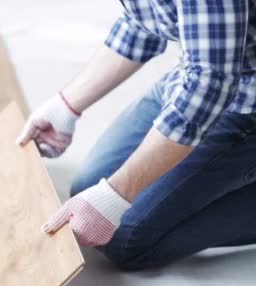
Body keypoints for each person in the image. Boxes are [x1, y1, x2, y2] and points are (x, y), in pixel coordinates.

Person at [17, 0, 256, 270]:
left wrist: (116, 193)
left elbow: (208, 85)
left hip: (243, 103)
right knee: (88, 186)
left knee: (125, 238)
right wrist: (66, 106)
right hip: (204, 75)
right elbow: (144, 22)